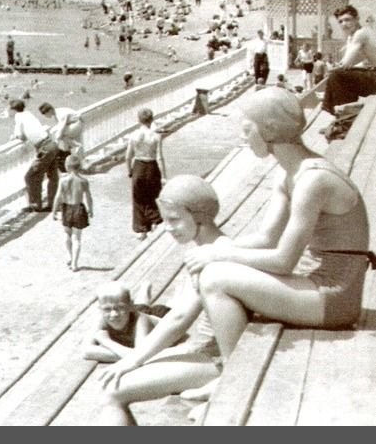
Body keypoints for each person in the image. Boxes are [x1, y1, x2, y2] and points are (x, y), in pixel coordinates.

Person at [183, 87, 374, 364]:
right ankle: (218, 355)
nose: (243, 137)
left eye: (247, 129)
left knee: (215, 278)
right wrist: (216, 249)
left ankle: (233, 371)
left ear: (269, 130)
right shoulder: (290, 174)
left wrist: (218, 255)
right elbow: (266, 238)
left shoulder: (312, 180)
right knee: (213, 264)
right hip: (315, 287)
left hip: (334, 299)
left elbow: (284, 261)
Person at [98, 175, 228, 425]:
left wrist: (133, 359)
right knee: (115, 380)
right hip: (205, 350)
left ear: (199, 216)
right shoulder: (211, 247)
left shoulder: (210, 254)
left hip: (216, 360)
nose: (167, 227)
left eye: (174, 219)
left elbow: (179, 319)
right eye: (165, 219)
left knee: (112, 391)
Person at [83, 281, 171, 363]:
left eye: (120, 307)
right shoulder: (102, 318)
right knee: (141, 306)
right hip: (129, 314)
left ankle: (150, 290)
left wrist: (106, 341)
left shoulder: (141, 320)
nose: (113, 314)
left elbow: (140, 356)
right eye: (107, 309)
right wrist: (128, 354)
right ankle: (144, 290)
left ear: (130, 306)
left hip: (161, 316)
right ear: (100, 309)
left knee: (171, 305)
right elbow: (86, 352)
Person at [321, 4, 376, 114]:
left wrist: (332, 69)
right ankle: (338, 112)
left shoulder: (361, 34)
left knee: (337, 75)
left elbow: (345, 64)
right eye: (340, 21)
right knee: (339, 74)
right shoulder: (361, 33)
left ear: (357, 19)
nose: (344, 24)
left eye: (347, 20)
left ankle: (342, 116)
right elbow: (356, 63)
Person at [125, 107, 167, 240]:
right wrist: (164, 176)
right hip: (152, 166)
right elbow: (160, 157)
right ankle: (155, 222)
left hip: (138, 165)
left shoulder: (134, 136)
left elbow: (128, 157)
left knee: (138, 199)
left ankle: (142, 230)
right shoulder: (156, 136)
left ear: (139, 120)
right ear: (152, 119)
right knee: (152, 196)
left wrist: (130, 171)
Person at [38, 101, 85, 211]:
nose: (46, 116)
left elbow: (62, 127)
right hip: (76, 123)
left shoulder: (60, 114)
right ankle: (74, 147)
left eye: (45, 114)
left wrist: (56, 139)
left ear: (49, 110)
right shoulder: (58, 113)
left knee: (58, 133)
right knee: (58, 133)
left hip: (77, 124)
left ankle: (75, 146)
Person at [53, 154, 94, 271]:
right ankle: (75, 264)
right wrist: (90, 209)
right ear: (79, 166)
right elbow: (89, 197)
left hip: (66, 208)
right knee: (76, 238)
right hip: (78, 208)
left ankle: (70, 256)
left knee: (66, 234)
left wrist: (54, 211)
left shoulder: (63, 180)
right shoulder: (83, 181)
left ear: (67, 166)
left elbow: (57, 197)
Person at [9, 99, 50, 213]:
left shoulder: (18, 116)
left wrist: (14, 137)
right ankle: (50, 203)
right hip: (50, 142)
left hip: (44, 148)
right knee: (51, 175)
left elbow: (20, 136)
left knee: (30, 177)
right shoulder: (28, 114)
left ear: (13, 110)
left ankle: (35, 205)